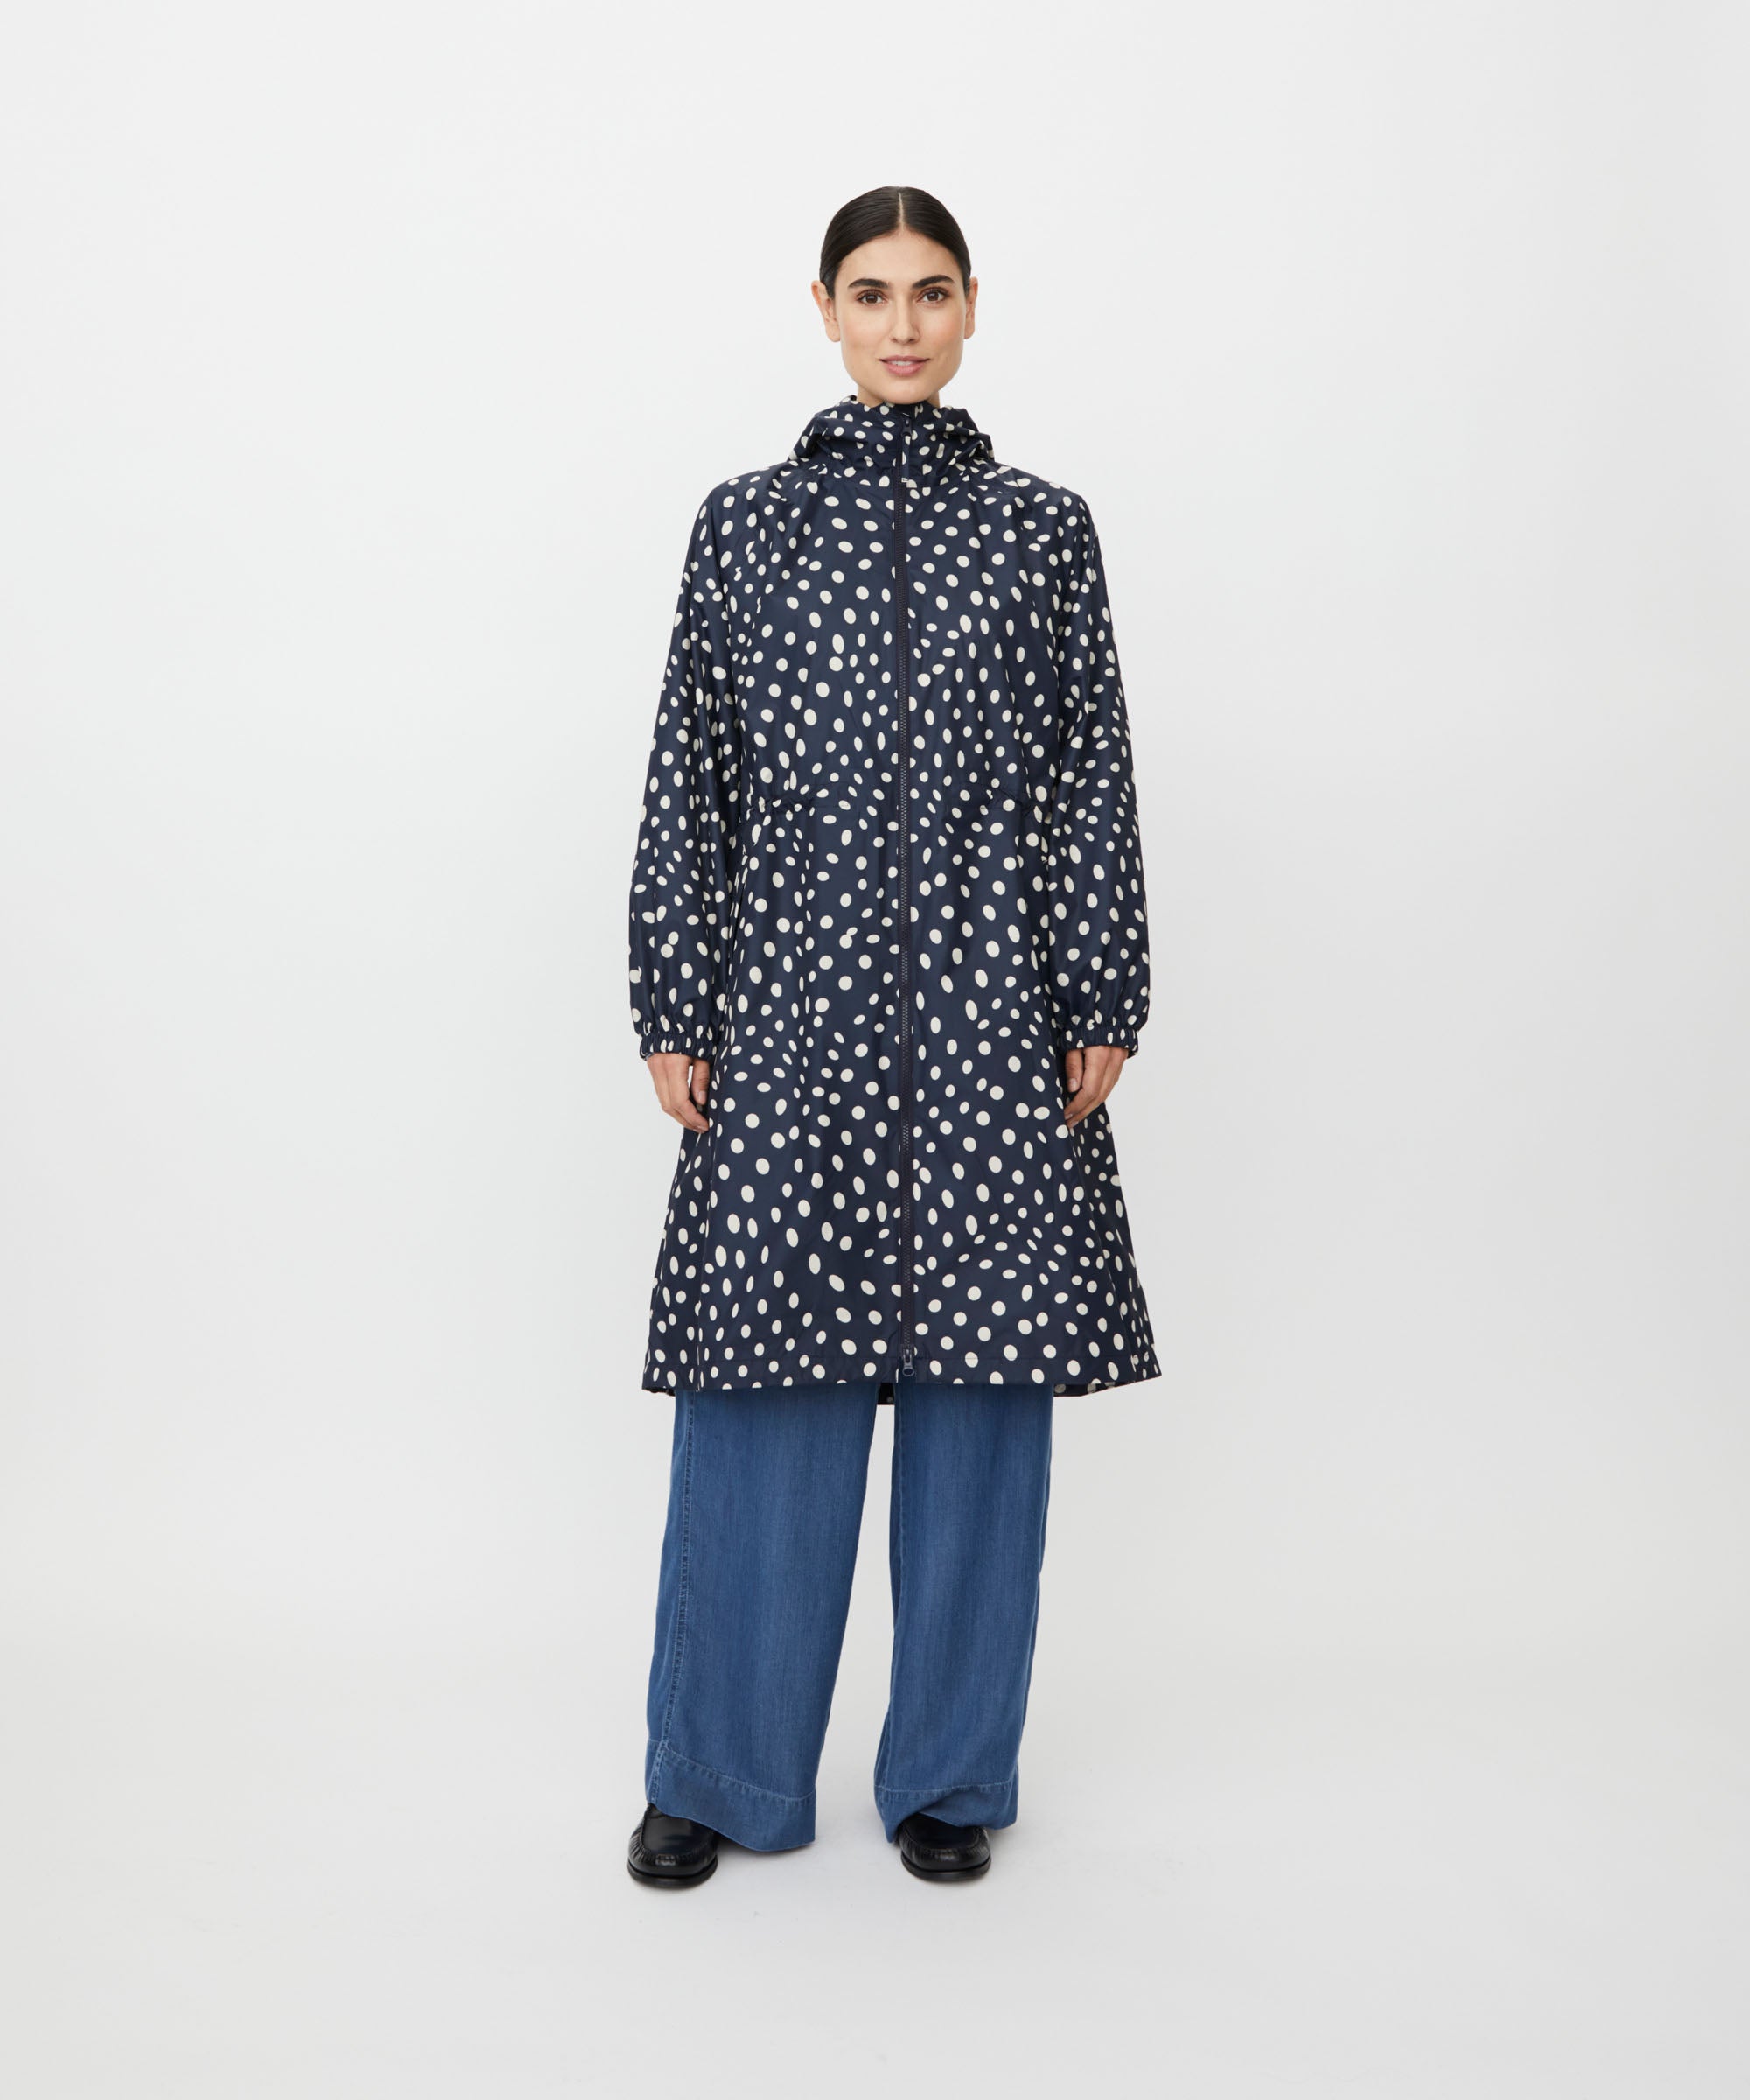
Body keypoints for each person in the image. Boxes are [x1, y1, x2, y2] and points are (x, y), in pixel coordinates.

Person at [624, 186, 1158, 1889]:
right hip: (795, 1004)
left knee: (984, 1397)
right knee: (761, 1378)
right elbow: (693, 770)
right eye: (873, 293)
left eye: (932, 293)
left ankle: (949, 1776)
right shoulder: (746, 525)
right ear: (825, 309)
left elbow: (1087, 769)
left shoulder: (1041, 531)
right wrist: (674, 997)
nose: (904, 324)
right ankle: (718, 1776)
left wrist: (1101, 986)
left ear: (974, 306)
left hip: (997, 1007)